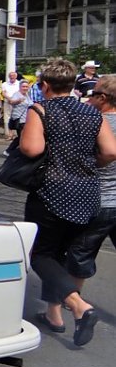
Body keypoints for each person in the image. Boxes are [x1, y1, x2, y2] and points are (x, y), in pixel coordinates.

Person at [19, 58, 116, 346]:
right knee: (66, 256)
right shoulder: (91, 114)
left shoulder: (40, 109)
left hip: (53, 193)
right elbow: (110, 151)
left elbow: (31, 148)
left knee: (41, 255)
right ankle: (56, 315)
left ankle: (77, 306)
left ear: (45, 85)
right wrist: (87, 163)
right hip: (88, 195)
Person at [64, 75, 116, 305]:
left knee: (81, 250)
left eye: (92, 93)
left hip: (100, 199)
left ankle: (74, 301)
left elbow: (106, 153)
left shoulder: (94, 122)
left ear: (102, 98)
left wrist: (91, 165)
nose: (87, 97)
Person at [1, 71, 22, 139]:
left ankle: (17, 133)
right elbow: (3, 93)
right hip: (8, 102)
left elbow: (21, 93)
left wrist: (15, 100)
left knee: (17, 117)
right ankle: (10, 134)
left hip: (17, 102)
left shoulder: (19, 83)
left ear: (16, 76)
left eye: (13, 76)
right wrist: (10, 99)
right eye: (11, 76)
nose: (12, 77)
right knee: (8, 117)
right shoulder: (5, 84)